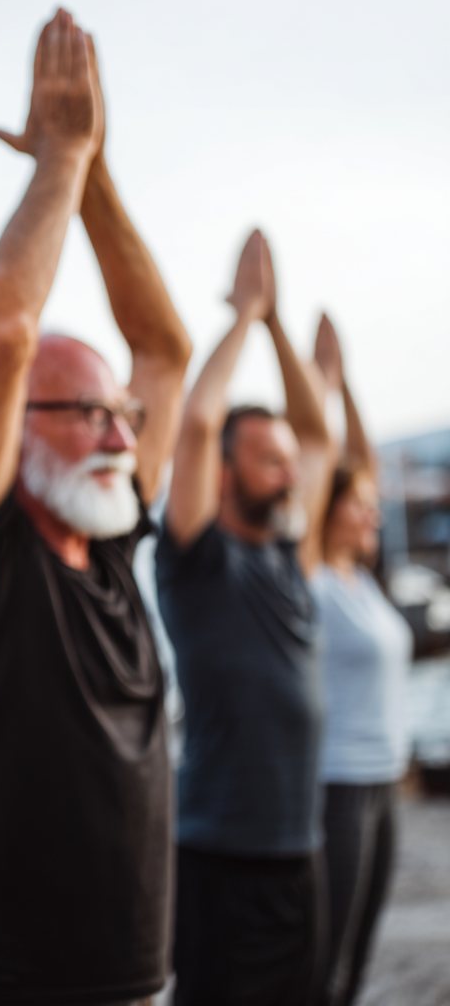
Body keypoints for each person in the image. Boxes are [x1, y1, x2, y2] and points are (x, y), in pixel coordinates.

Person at [0, 9, 192, 1006]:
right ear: (17, 428)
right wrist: (57, 162)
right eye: (88, 412)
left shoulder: (112, 536)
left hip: (142, 983)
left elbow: (163, 352)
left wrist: (95, 173)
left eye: (123, 415)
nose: (123, 432)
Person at [156, 230, 336, 1006]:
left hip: (302, 849)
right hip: (220, 857)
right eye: (269, 459)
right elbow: (198, 421)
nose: (289, 470)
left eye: (285, 460)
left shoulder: (291, 555)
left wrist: (278, 323)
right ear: (226, 474)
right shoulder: (198, 560)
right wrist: (241, 315)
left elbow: (320, 435)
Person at [311, 314, 412, 1006]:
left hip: (385, 784)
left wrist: (347, 388)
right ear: (331, 510)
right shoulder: (315, 578)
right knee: (327, 964)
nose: (373, 516)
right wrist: (323, 392)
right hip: (338, 785)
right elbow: (340, 466)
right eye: (361, 507)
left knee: (360, 957)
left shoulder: (367, 586)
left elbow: (364, 462)